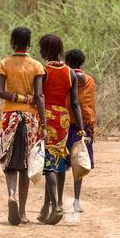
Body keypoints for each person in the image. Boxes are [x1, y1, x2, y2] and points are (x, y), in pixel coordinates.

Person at [0, 26, 46, 226]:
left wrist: (16, 97)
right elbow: (40, 96)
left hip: (9, 117)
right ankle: (23, 213)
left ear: (12, 42)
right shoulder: (36, 66)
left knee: (9, 159)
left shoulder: (4, 64)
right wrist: (43, 122)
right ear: (29, 43)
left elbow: (0, 92)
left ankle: (11, 196)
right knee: (26, 163)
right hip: (31, 118)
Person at [37, 33, 84, 225]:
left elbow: (39, 96)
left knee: (48, 164)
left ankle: (56, 205)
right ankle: (51, 206)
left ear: (46, 50)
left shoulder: (43, 71)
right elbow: (75, 103)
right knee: (59, 162)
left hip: (47, 117)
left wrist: (42, 122)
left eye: (41, 48)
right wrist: (80, 129)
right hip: (63, 119)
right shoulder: (70, 72)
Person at [65, 47, 96, 213]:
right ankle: (76, 201)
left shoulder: (67, 79)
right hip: (85, 125)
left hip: (68, 123)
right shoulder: (90, 80)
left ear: (67, 62)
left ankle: (55, 202)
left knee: (61, 164)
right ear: (82, 62)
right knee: (80, 163)